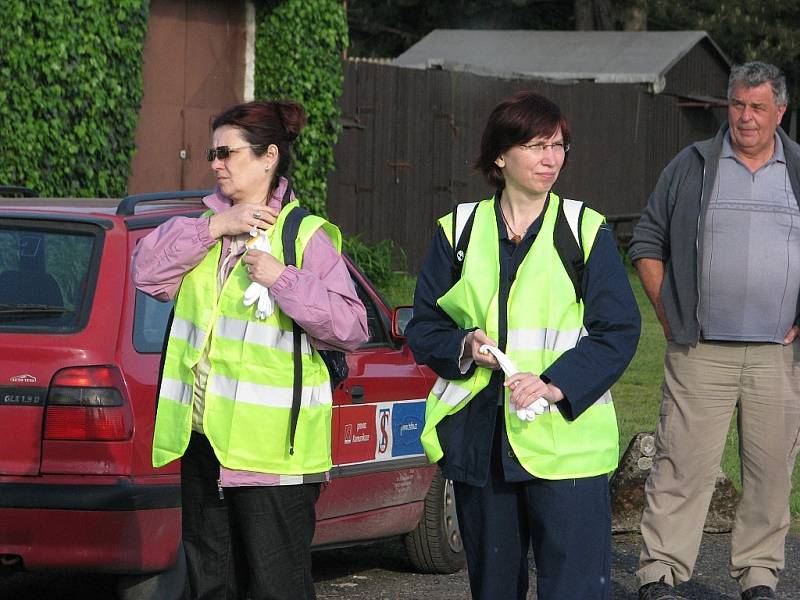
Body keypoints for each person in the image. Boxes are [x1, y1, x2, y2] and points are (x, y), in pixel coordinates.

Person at [405, 90, 641, 600]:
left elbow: (618, 330)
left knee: (575, 590)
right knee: (493, 589)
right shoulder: (459, 231)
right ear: (500, 155)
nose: (551, 159)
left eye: (559, 146)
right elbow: (424, 326)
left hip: (566, 444)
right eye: (537, 146)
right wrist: (465, 345)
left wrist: (555, 384)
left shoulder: (584, 228)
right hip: (481, 441)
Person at [132, 100, 368, 600]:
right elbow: (147, 273)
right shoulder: (203, 227)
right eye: (211, 153)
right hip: (203, 441)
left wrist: (283, 278)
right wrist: (217, 226)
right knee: (211, 585)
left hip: (273, 455)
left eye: (225, 152)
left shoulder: (305, 235)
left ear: (268, 157)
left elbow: (351, 325)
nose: (214, 164)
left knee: (275, 588)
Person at [630, 61, 800, 600]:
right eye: (737, 105)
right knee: (681, 465)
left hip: (779, 355)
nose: (745, 117)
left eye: (757, 107)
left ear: (780, 111)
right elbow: (647, 240)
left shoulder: (799, 168)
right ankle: (659, 572)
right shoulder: (693, 164)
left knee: (771, 472)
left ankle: (759, 576)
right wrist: (669, 312)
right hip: (700, 349)